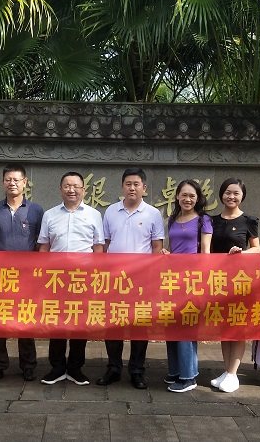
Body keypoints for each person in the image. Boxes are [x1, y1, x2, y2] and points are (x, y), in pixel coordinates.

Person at [97, 168, 164, 390]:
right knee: (112, 324)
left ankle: (137, 370)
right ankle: (113, 368)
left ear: (144, 188)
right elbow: (105, 244)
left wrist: (152, 278)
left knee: (140, 325)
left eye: (136, 184)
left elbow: (157, 247)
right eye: (128, 184)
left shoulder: (153, 213)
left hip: (141, 280)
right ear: (122, 187)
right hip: (114, 279)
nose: (132, 188)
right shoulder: (111, 211)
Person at [38, 172, 104, 386]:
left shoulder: (94, 215)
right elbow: (44, 246)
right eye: (67, 186)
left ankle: (75, 368)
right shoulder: (49, 215)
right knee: (56, 322)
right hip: (56, 279)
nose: (71, 190)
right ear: (61, 189)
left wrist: (96, 276)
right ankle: (57, 367)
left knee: (79, 323)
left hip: (83, 278)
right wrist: (42, 275)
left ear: (84, 190)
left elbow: (98, 247)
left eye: (76, 186)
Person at [0, 164, 43, 384]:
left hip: (27, 276)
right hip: (0, 276)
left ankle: (28, 365)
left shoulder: (36, 210)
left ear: (25, 182)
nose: (12, 183)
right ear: (3, 182)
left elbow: (40, 242)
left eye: (16, 180)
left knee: (25, 320)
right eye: (8, 179)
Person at [161, 180, 212, 393]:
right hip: (172, 280)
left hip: (192, 280)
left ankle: (188, 376)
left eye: (192, 196)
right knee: (171, 325)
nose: (187, 199)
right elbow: (172, 248)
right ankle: (175, 371)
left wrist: (201, 281)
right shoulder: (173, 219)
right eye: (184, 195)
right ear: (177, 197)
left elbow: (206, 253)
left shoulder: (203, 220)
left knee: (186, 326)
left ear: (198, 198)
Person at [210, 178, 260, 393]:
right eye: (228, 192)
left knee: (238, 326)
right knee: (224, 327)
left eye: (236, 193)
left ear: (242, 196)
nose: (231, 196)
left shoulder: (249, 220)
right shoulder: (211, 221)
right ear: (221, 194)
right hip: (219, 281)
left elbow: (257, 248)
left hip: (240, 280)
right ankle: (226, 370)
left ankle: (233, 373)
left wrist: (241, 253)